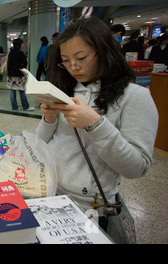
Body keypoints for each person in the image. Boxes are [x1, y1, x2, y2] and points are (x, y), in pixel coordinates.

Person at [36, 17, 158, 230]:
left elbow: (137, 167)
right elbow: (40, 144)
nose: (73, 67)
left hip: (90, 207)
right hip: (49, 193)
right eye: (65, 60)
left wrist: (95, 124)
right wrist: (49, 118)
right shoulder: (66, 88)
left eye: (81, 58)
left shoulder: (135, 97)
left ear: (104, 52)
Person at [6, 38, 34, 111]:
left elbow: (8, 64)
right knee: (21, 91)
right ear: (19, 45)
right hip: (19, 74)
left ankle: (14, 107)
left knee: (12, 91)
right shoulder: (20, 53)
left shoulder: (11, 53)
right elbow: (25, 63)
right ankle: (25, 106)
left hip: (11, 74)